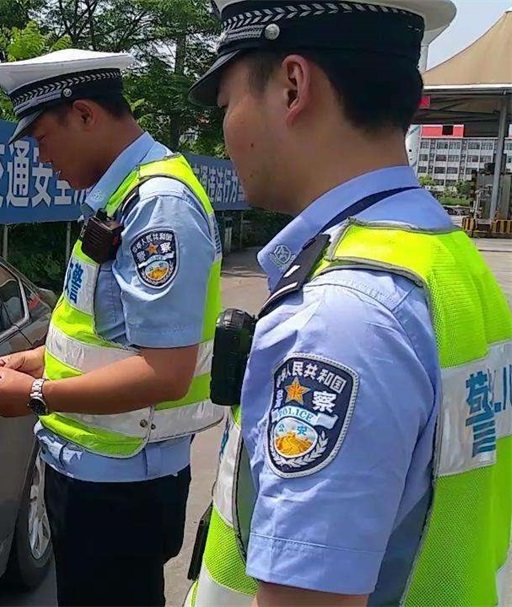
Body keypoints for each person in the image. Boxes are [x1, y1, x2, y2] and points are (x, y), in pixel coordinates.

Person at [186, 1, 512, 606]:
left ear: (292, 87)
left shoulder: (338, 317)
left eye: (227, 103)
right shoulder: (445, 257)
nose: (224, 129)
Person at [0, 48, 224, 606]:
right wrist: (38, 361)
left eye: (42, 139)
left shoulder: (157, 207)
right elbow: (109, 334)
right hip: (94, 470)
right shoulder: (118, 196)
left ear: (84, 114)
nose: (42, 158)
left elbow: (166, 372)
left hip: (122, 483)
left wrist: (36, 394)